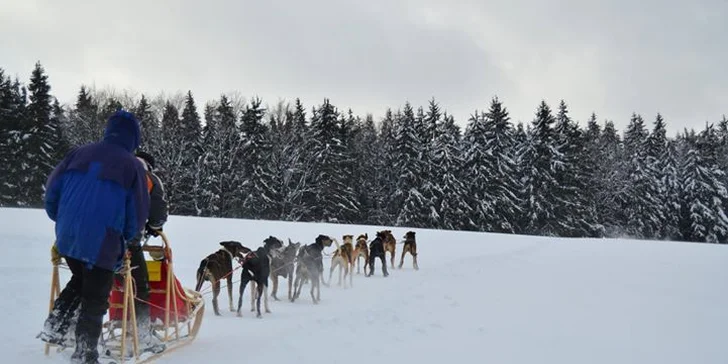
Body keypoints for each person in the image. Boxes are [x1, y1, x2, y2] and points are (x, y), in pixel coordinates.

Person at [38, 110, 150, 364]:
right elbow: (137, 213)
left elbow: (52, 191)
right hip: (103, 240)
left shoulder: (78, 153)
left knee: (81, 277)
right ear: (133, 138)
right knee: (96, 297)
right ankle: (85, 354)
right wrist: (126, 237)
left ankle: (55, 323)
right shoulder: (132, 165)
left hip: (68, 235)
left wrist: (64, 220)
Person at [126, 150, 168, 354]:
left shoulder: (114, 168)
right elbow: (158, 209)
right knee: (140, 286)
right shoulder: (149, 178)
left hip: (96, 237)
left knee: (101, 287)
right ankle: (142, 333)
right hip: (128, 240)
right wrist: (154, 226)